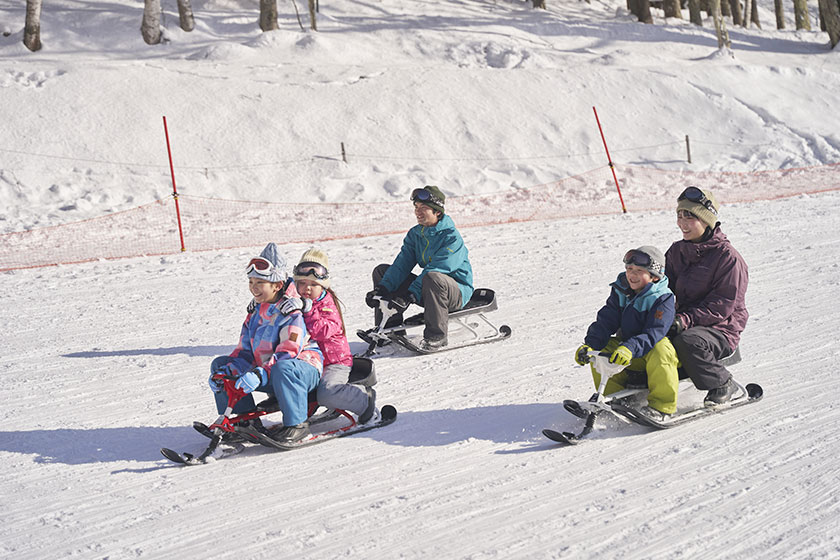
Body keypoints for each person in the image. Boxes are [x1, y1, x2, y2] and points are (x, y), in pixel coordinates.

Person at [208, 242, 323, 443]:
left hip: (301, 371)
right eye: (251, 282)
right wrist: (228, 372)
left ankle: (297, 425)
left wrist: (260, 374)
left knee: (283, 368)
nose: (253, 288)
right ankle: (243, 422)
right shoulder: (254, 312)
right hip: (270, 372)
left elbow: (288, 353)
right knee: (220, 364)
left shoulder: (291, 313)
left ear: (277, 285)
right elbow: (245, 352)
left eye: (259, 283)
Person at [575, 246, 680, 421]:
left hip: (652, 351)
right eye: (629, 269)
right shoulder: (621, 290)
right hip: (629, 351)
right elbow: (606, 320)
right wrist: (590, 345)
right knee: (602, 350)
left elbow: (655, 332)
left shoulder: (663, 298)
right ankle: (616, 399)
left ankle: (662, 407)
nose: (632, 275)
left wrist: (629, 347)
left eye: (639, 271)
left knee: (661, 349)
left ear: (654, 276)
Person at [665, 186, 749, 406]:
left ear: (706, 220)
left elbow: (721, 306)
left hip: (720, 328)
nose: (682, 222)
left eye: (690, 216)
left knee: (688, 341)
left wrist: (683, 321)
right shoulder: (677, 252)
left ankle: (722, 383)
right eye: (679, 215)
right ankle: (640, 386)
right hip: (686, 321)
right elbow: (662, 286)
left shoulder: (728, 258)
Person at [366, 185, 474, 351]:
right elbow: (401, 265)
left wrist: (410, 295)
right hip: (429, 290)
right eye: (416, 207)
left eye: (424, 208)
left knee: (433, 276)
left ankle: (436, 336)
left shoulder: (452, 238)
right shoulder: (416, 234)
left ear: (438, 212)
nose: (418, 211)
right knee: (382, 271)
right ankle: (388, 330)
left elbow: (439, 268)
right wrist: (382, 289)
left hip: (455, 292)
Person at [280, 247, 378, 424]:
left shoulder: (326, 304)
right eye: (302, 283)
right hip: (311, 361)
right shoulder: (297, 301)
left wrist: (308, 310)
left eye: (314, 284)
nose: (307, 288)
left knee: (327, 392)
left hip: (335, 362)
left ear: (323, 285)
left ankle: (364, 400)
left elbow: (323, 331)